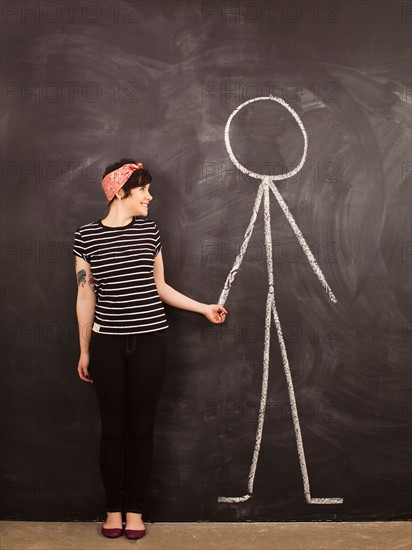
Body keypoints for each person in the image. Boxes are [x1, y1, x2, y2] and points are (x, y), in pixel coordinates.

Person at [73, 158, 228, 540]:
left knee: (142, 429)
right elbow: (83, 295)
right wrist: (85, 350)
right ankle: (112, 510)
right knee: (112, 429)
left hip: (150, 343)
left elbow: (161, 286)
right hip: (107, 344)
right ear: (120, 192)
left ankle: (135, 510)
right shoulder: (85, 237)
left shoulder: (150, 232)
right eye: (143, 190)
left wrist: (203, 307)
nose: (150, 197)